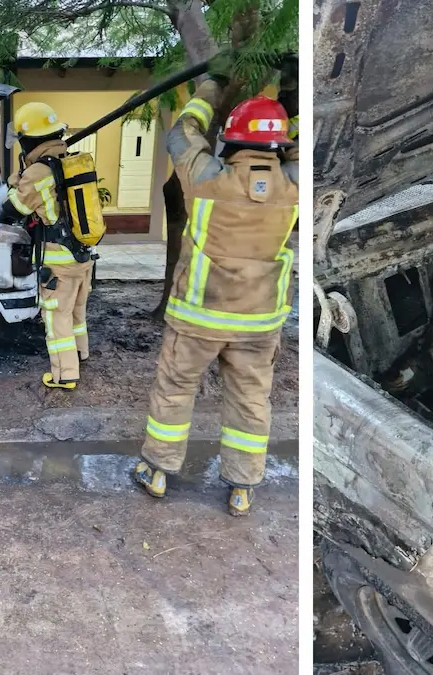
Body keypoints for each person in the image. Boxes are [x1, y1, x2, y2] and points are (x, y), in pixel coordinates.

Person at [133, 58, 299, 516]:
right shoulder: (295, 185)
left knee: (175, 389)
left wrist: (213, 85)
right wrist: (291, 98)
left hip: (198, 318)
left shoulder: (206, 178)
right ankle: (242, 488)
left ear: (230, 139)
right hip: (258, 322)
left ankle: (158, 471)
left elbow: (182, 132)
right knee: (250, 399)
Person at [1, 102, 105, 390]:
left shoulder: (38, 172)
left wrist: (15, 179)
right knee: (76, 311)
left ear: (28, 140)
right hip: (83, 254)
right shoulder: (67, 162)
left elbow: (14, 208)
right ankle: (81, 353)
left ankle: (65, 375)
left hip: (59, 260)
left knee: (56, 317)